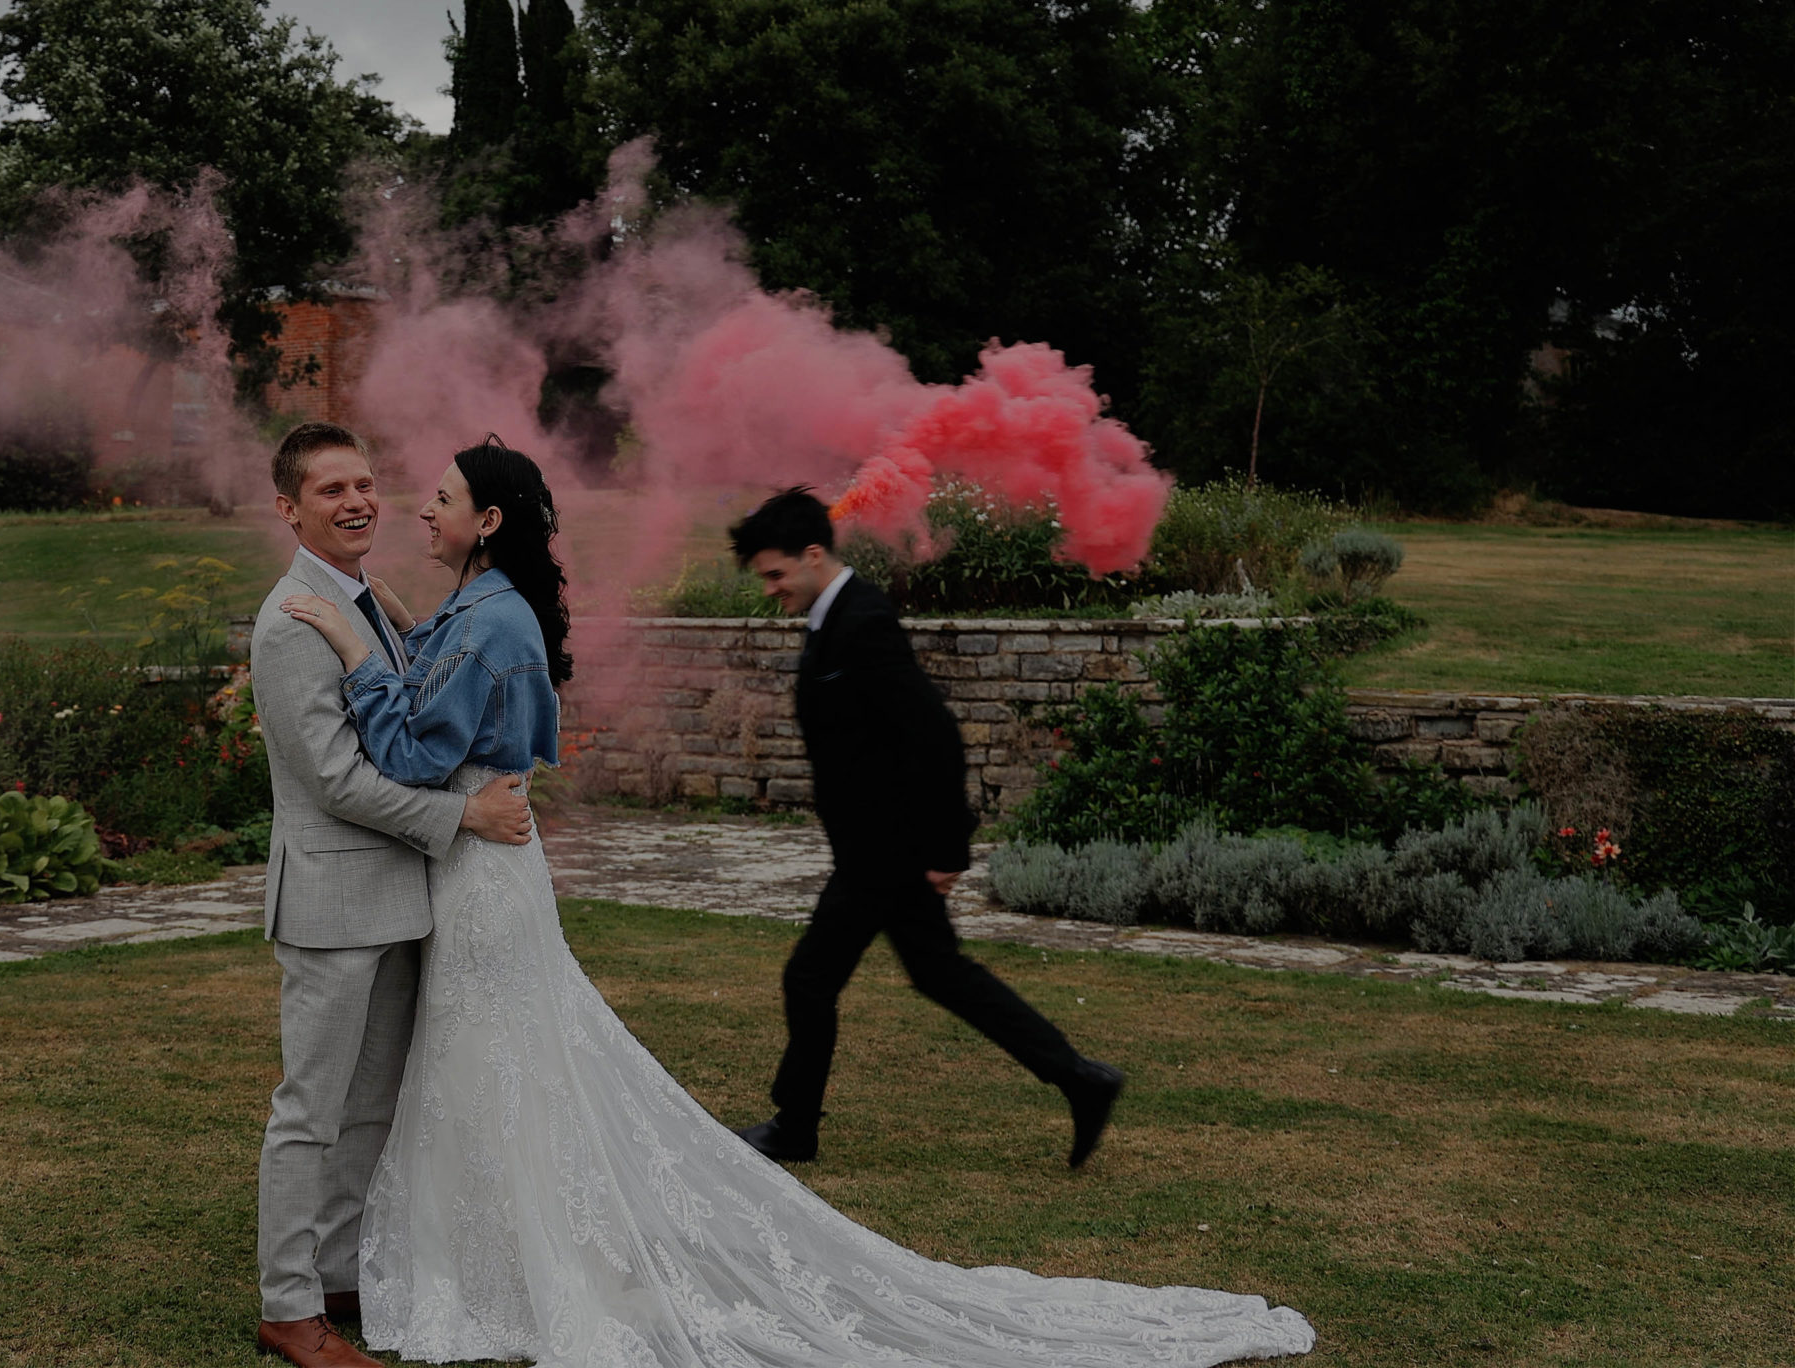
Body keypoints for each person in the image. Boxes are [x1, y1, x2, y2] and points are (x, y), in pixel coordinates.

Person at [277, 442, 1314, 1366]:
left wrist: (365, 652)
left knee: (509, 1061)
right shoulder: (472, 604)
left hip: (540, 861)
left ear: (488, 521)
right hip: (497, 865)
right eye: (351, 487)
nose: (411, 504)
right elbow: (440, 699)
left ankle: (526, 1253)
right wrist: (392, 632)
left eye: (438, 494)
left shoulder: (839, 620)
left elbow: (413, 744)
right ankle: (497, 1243)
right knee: (499, 1063)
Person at [248, 421, 537, 1368]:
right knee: (310, 1111)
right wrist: (462, 821)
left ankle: (336, 1276)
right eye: (331, 491)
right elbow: (337, 781)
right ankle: (289, 1310)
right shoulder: (293, 620)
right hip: (332, 904)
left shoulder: (370, 597)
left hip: (400, 901)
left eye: (365, 483)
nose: (359, 502)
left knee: (370, 1109)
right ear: (290, 509)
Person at [728, 487, 1128, 1170]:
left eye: (776, 574)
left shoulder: (863, 621)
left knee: (810, 978)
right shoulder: (833, 619)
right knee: (941, 974)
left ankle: (795, 1129)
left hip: (884, 852)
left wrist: (947, 848)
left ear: (814, 555)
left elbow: (935, 734)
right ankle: (1082, 1079)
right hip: (877, 847)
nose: (771, 589)